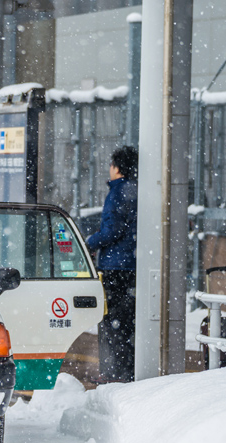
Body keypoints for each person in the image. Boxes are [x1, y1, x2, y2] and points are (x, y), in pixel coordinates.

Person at [86, 146, 139, 383]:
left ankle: (114, 372)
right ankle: (127, 369)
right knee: (127, 322)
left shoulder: (118, 193)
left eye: (111, 164)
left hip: (116, 267)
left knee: (112, 322)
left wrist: (90, 242)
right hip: (133, 264)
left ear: (117, 168)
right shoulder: (140, 191)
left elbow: (112, 230)